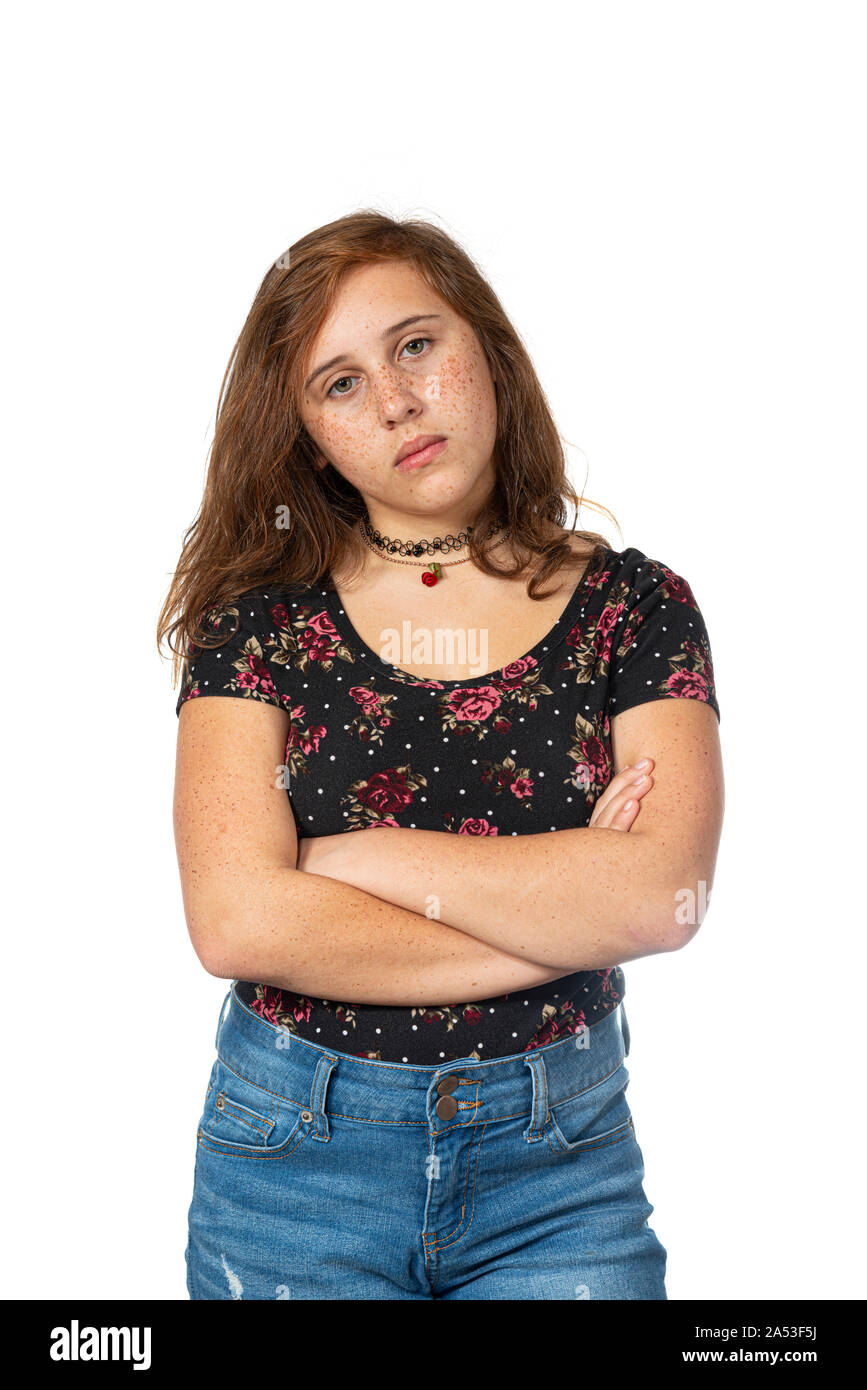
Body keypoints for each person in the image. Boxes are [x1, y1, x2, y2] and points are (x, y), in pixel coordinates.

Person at [160, 210, 724, 1300]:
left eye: (415, 344)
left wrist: (350, 857)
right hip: (293, 1163)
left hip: (562, 1172)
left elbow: (665, 896)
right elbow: (238, 920)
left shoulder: (635, 609)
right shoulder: (256, 629)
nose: (397, 401)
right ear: (310, 439)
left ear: (486, 351)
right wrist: (563, 915)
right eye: (339, 383)